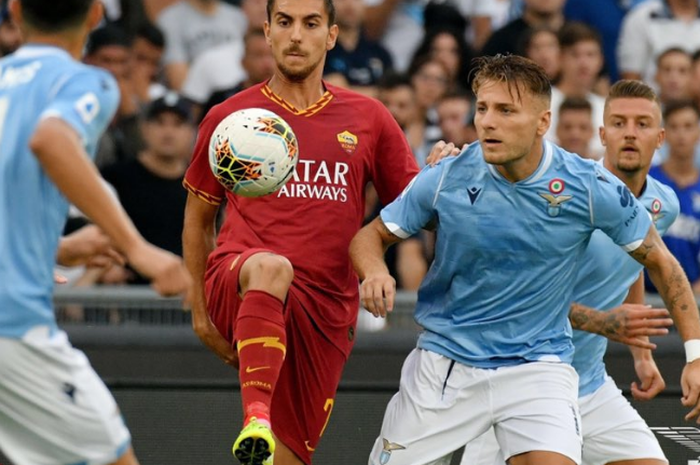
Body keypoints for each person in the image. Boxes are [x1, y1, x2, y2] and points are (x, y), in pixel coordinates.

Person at [349, 55, 700, 465]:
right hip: (446, 363)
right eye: (482, 108)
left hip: (538, 367)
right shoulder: (447, 174)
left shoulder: (588, 187)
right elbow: (370, 236)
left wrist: (694, 356)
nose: (487, 122)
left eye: (505, 110)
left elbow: (657, 260)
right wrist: (374, 270)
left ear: (541, 122)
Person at [182, 1, 456, 464]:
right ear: (266, 32)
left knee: (284, 460)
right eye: (284, 23)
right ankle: (256, 417)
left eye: (310, 24)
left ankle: (264, 437)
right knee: (272, 266)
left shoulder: (368, 118)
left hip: (325, 309)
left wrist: (436, 179)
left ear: (331, 35)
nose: (296, 36)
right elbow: (197, 218)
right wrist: (199, 310)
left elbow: (414, 213)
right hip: (245, 279)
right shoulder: (231, 118)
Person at [0, 1, 192, 465]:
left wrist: (59, 248)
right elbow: (51, 139)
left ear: (15, 10)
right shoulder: (86, 81)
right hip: (13, 327)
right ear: (94, 16)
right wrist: (139, 250)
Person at [462, 79, 677, 465]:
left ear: (660, 137)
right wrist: (601, 321)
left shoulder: (663, 204)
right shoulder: (564, 198)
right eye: (618, 123)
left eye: (642, 124)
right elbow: (518, 300)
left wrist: (640, 351)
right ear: (602, 134)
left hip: (589, 385)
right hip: (517, 381)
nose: (630, 133)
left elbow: (636, 263)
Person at [648, 100, 700, 293]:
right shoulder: (645, 181)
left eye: (688, 126)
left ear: (698, 133)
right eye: (674, 127)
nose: (681, 135)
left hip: (693, 300)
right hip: (643, 298)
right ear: (664, 134)